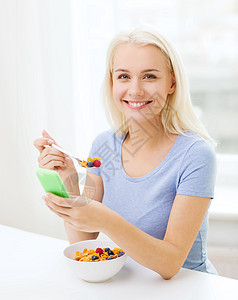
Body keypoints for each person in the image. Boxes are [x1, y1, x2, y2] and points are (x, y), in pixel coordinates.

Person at [33, 26, 218, 280]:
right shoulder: (104, 147)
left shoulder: (196, 155)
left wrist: (108, 221)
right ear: (111, 82)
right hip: (131, 285)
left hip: (187, 289)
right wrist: (68, 182)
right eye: (123, 76)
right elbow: (83, 239)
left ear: (172, 83)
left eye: (150, 76)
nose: (135, 90)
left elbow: (171, 264)